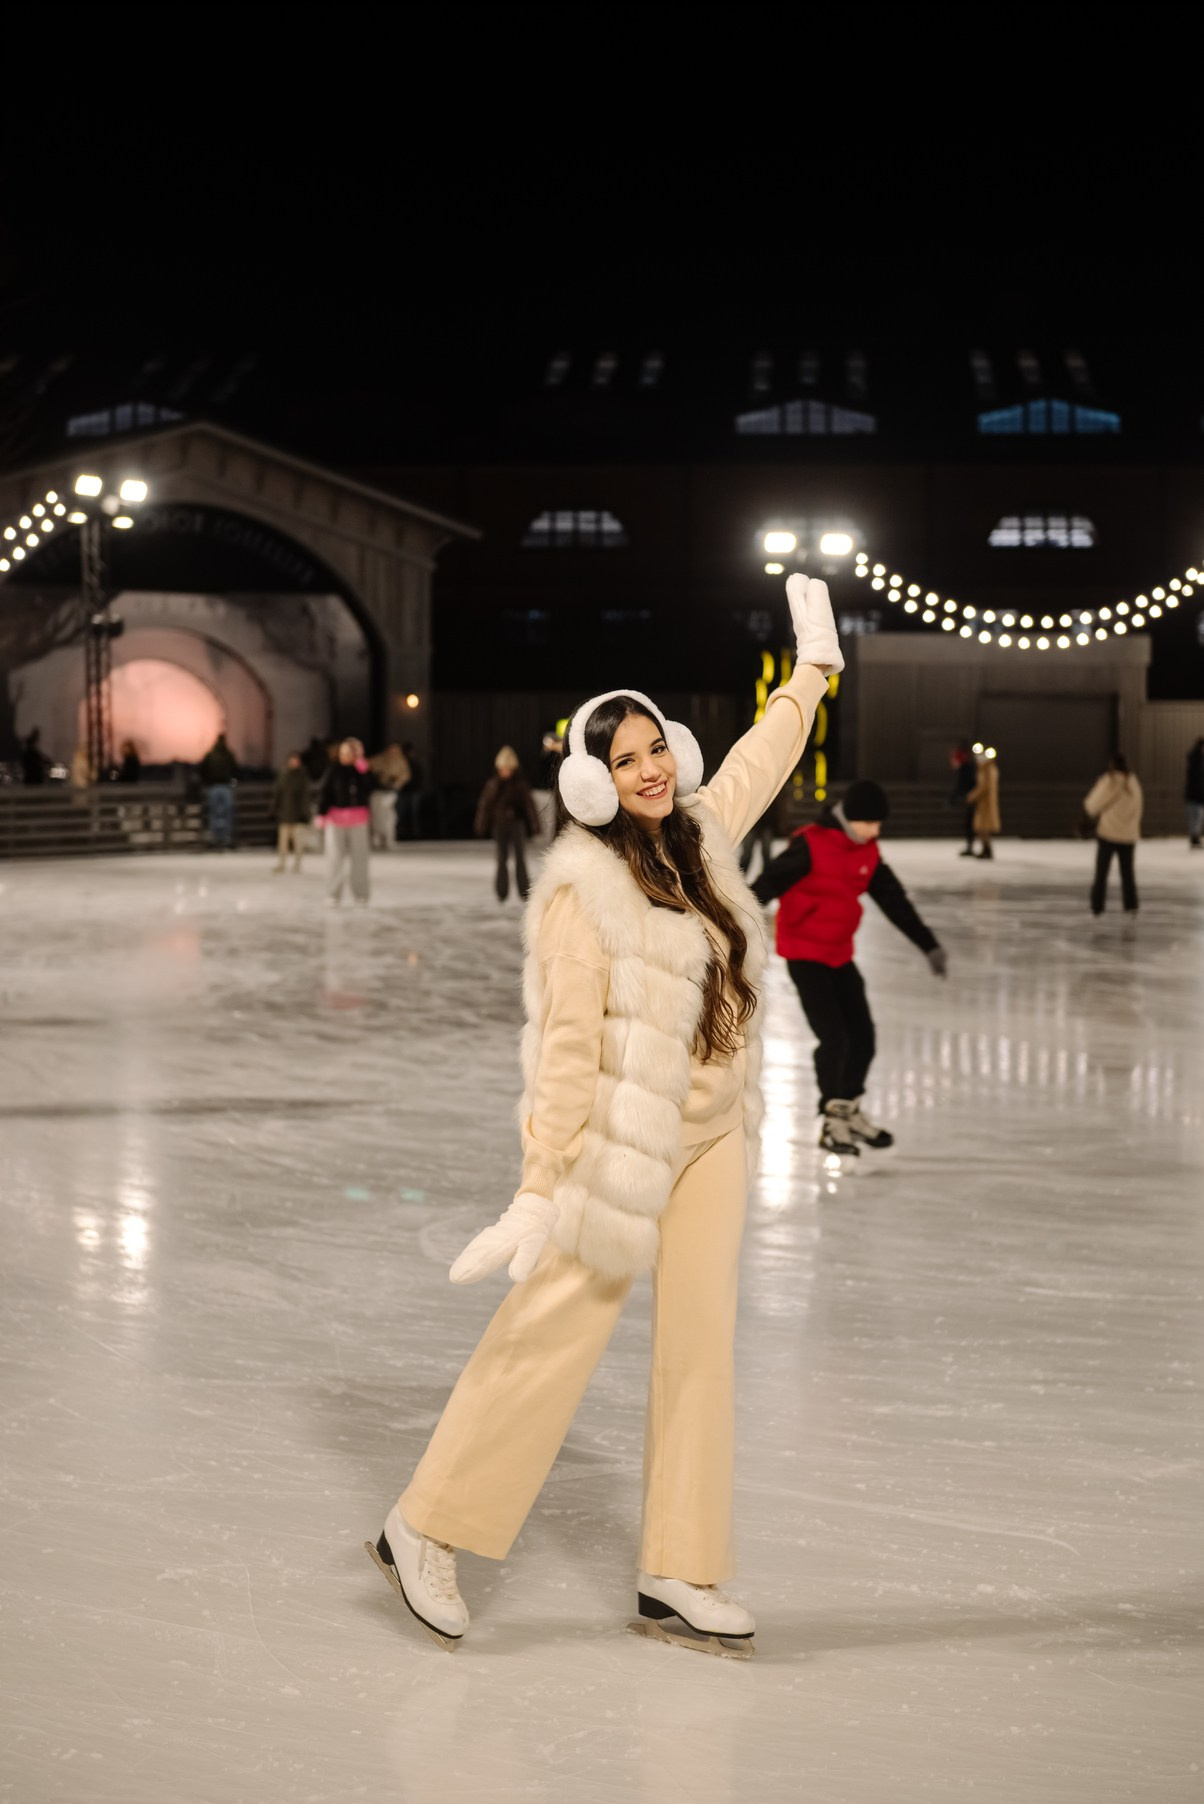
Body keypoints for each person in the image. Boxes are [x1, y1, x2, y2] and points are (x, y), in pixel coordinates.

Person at [364, 574, 839, 1659]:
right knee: (554, 1331)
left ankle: (679, 1567)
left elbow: (770, 743)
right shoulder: (584, 892)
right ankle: (424, 1524)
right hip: (621, 1148)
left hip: (714, 1131)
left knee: (699, 1348)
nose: (651, 769)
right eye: (624, 760)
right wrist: (540, 1185)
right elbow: (565, 1050)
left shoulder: (706, 828)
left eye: (656, 748)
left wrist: (813, 662)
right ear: (591, 782)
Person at [751, 780, 946, 1158]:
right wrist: (730, 924)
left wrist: (928, 944)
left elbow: (894, 900)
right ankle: (832, 1122)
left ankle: (849, 1109)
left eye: (879, 825)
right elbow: (765, 885)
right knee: (835, 1038)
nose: (875, 831)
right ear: (850, 818)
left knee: (864, 1036)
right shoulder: (810, 844)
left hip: (839, 954)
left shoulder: (867, 852)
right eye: (869, 823)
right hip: (804, 954)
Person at [474, 746, 541, 901]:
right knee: (501, 858)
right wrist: (481, 825)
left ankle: (524, 891)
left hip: (517, 825)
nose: (505, 772)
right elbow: (485, 805)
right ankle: (501, 891)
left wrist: (535, 826)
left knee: (520, 858)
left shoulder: (520, 784)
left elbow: (529, 806)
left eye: (508, 768)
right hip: (500, 825)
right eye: (502, 769)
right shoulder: (493, 784)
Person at [317, 737, 374, 904]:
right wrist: (321, 813)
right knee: (334, 858)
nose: (349, 755)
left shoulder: (362, 770)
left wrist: (363, 770)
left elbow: (371, 788)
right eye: (346, 752)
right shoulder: (334, 770)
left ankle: (361, 894)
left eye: (353, 751)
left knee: (360, 859)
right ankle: (333, 893)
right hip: (336, 820)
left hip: (358, 819)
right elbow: (325, 792)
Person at [1084, 752, 1143, 916]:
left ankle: (1097, 906)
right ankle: (1131, 906)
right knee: (1128, 873)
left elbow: (1091, 804)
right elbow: (1139, 809)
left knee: (1101, 872)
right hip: (1128, 836)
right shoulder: (1133, 782)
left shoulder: (1109, 781)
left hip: (1108, 834)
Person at [273, 751, 312, 873]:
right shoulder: (283, 776)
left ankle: (297, 864)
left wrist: (305, 813)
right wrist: (274, 809)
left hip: (297, 815)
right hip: (285, 814)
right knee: (283, 843)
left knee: (298, 843)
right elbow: (277, 794)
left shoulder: (302, 777)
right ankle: (282, 863)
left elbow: (305, 797)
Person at [367, 743, 412, 849]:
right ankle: (376, 838)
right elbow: (368, 768)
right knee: (376, 815)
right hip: (377, 791)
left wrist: (398, 783)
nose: (394, 752)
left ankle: (388, 838)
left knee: (389, 816)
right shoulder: (378, 759)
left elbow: (405, 775)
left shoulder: (401, 761)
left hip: (390, 792)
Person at [199, 732, 238, 849]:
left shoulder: (211, 754)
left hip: (215, 786)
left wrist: (207, 781)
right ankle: (224, 837)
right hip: (224, 786)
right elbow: (235, 769)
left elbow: (202, 769)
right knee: (226, 813)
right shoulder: (228, 754)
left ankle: (216, 837)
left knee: (215, 813)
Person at [965, 749, 1000, 859]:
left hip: (985, 803)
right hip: (987, 802)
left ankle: (987, 849)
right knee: (983, 827)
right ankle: (986, 849)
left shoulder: (986, 770)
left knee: (982, 827)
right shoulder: (990, 768)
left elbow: (984, 786)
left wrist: (972, 796)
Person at [950, 741, 977, 855]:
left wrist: (964, 797)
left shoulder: (966, 770)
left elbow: (965, 785)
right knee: (969, 823)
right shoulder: (966, 769)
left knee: (971, 824)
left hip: (972, 800)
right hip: (970, 798)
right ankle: (970, 846)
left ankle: (972, 847)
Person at [396, 741, 424, 839]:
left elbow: (418, 777)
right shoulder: (401, 763)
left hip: (413, 791)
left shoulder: (414, 764)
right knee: (401, 812)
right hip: (404, 791)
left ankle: (414, 832)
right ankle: (401, 831)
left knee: (413, 812)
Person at [1186, 738, 1204, 850]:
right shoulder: (1200, 760)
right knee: (1197, 817)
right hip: (1197, 795)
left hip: (1191, 794)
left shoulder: (1193, 759)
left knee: (1194, 818)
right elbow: (1200, 780)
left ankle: (1194, 838)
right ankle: (1195, 838)